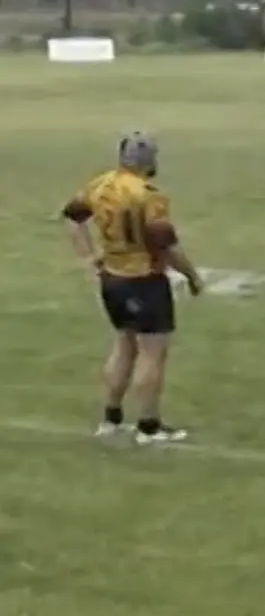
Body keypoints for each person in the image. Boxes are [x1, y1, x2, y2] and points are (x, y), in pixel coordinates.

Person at [60, 132, 203, 444]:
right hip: (144, 279)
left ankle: (111, 418)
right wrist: (191, 276)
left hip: (111, 277)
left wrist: (88, 259)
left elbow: (73, 218)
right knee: (153, 352)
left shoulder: (101, 184)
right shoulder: (148, 196)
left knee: (124, 344)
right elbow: (167, 245)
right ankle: (149, 426)